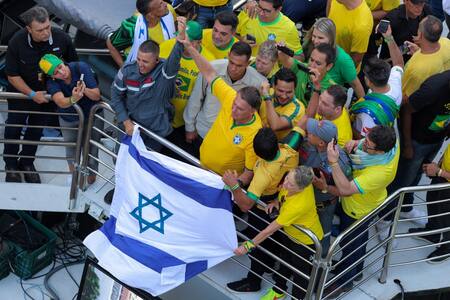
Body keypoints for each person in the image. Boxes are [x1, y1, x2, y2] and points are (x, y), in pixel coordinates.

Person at [3, 6, 78, 183]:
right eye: (40, 30)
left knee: (35, 130)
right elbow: (12, 75)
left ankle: (27, 163)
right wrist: (31, 94)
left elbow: (73, 66)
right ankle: (11, 165)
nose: (45, 33)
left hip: (48, 96)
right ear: (29, 29)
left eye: (47, 28)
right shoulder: (17, 41)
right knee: (13, 129)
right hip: (21, 95)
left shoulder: (62, 38)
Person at [230, 166, 324, 300]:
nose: (285, 184)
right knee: (284, 262)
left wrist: (247, 246)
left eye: (290, 184)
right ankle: (279, 290)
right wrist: (276, 202)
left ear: (302, 188)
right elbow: (285, 194)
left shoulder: (297, 206)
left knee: (300, 275)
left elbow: (268, 231)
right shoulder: (302, 180)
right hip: (290, 234)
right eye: (287, 178)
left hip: (305, 243)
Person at [326, 125, 399, 295]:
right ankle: (356, 271)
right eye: (366, 139)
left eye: (368, 145)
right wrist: (356, 142)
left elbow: (344, 188)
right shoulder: (392, 144)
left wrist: (333, 162)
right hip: (370, 202)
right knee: (359, 239)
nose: (363, 145)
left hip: (357, 209)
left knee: (350, 245)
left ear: (381, 151)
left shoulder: (380, 172)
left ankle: (345, 281)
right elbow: (364, 144)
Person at [181, 34, 262, 186]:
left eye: (240, 109)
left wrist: (234, 187)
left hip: (221, 184)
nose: (233, 109)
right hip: (199, 157)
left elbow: (249, 171)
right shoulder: (230, 97)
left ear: (253, 111)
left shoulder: (255, 133)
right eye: (234, 104)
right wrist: (189, 47)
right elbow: (209, 73)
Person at [109, 17, 186, 150]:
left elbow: (174, 60)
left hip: (154, 134)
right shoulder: (127, 70)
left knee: (144, 169)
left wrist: (180, 39)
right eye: (139, 59)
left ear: (157, 60)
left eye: (145, 61)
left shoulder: (164, 72)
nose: (140, 64)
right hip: (130, 127)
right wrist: (126, 122)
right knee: (120, 162)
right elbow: (115, 96)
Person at [388, 70, 450, 225]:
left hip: (436, 139)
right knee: (402, 181)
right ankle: (386, 218)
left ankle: (406, 208)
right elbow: (406, 110)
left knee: (417, 176)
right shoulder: (435, 87)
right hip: (416, 141)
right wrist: (408, 144)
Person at [39, 54, 100, 185]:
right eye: (56, 73)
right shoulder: (51, 83)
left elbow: (96, 95)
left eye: (60, 67)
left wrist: (84, 90)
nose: (62, 72)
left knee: (92, 148)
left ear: (62, 61)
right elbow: (60, 101)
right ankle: (75, 177)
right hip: (69, 118)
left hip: (92, 116)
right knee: (71, 148)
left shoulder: (80, 67)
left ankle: (91, 178)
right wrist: (74, 99)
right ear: (52, 77)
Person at [158, 21, 215, 152]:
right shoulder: (166, 47)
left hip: (184, 123)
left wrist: (191, 127)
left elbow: (207, 98)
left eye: (184, 39)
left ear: (197, 42)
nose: (180, 41)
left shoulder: (208, 61)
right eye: (179, 37)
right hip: (161, 115)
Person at [300, 118, 353, 255]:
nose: (308, 133)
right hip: (302, 201)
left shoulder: (340, 162)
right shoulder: (307, 143)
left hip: (323, 207)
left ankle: (319, 268)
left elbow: (346, 192)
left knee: (322, 239)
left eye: (312, 133)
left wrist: (325, 187)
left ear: (322, 143)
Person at [351, 23, 404, 139]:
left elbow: (364, 139)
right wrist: (389, 38)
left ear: (369, 82)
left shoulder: (368, 115)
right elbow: (399, 63)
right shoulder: (395, 82)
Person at [298, 18, 366, 99]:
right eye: (314, 36)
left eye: (320, 38)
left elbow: (356, 85)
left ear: (331, 39)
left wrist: (363, 106)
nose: (315, 41)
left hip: (328, 102)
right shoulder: (309, 45)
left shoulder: (343, 59)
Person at [106, 0, 177, 67]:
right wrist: (123, 68)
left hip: (165, 68)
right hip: (139, 72)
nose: (165, 4)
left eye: (162, 1)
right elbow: (111, 44)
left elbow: (175, 28)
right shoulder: (131, 26)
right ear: (150, 15)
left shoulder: (168, 10)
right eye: (160, 5)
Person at [401, 15, 450, 103]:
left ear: (420, 35)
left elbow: (406, 98)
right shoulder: (447, 42)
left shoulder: (416, 69)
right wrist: (418, 51)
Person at [236, 0, 302, 56]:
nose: (261, 13)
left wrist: (284, 55)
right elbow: (232, 34)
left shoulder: (289, 28)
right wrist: (241, 42)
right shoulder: (249, 11)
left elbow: (299, 57)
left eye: (266, 11)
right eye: (259, 7)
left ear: (279, 9)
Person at [421, 144, 450, 263]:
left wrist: (439, 172)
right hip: (442, 174)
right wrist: (437, 166)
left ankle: (447, 247)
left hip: (444, 177)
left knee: (446, 217)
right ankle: (433, 233)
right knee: (432, 202)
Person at [327, 0, 374, 72]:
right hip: (325, 59)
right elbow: (328, 20)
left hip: (340, 71)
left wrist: (337, 75)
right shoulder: (335, 1)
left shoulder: (362, 25)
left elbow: (355, 60)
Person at [259, 68, 305, 140]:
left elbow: (275, 125)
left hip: (277, 147)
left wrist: (267, 97)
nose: (284, 96)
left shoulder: (298, 108)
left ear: (294, 89)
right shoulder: (268, 92)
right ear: (273, 86)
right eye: (280, 91)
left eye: (289, 92)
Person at [307, 84, 353, 148]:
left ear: (337, 109)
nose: (319, 104)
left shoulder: (341, 138)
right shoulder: (332, 108)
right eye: (320, 98)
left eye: (325, 104)